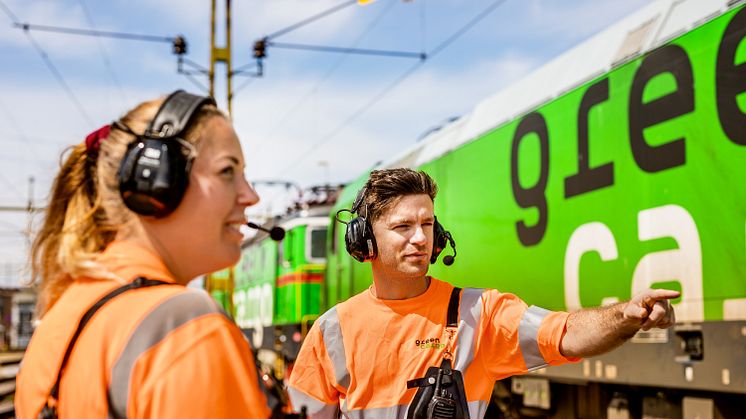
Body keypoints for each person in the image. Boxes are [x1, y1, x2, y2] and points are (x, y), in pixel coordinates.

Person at [287, 168, 677, 419]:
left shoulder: (479, 313)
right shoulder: (332, 331)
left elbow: (568, 332)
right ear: (365, 240)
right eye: (403, 226)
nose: (420, 238)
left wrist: (626, 315)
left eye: (427, 224)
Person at [15, 91, 272, 418]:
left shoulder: (61, 315)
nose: (251, 196)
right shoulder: (183, 326)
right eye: (227, 171)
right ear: (157, 182)